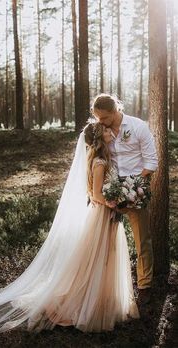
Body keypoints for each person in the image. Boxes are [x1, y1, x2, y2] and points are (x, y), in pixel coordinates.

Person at [0, 121, 139, 335]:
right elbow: (96, 194)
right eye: (105, 130)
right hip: (102, 215)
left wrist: (121, 196)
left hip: (107, 215)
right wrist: (115, 202)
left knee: (106, 259)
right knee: (95, 260)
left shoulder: (105, 159)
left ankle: (103, 300)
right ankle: (83, 303)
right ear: (98, 138)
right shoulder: (99, 162)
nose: (109, 131)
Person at [90, 93, 158, 305]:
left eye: (103, 118)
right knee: (105, 241)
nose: (99, 122)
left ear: (115, 111)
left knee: (142, 239)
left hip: (135, 189)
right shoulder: (102, 130)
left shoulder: (138, 126)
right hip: (108, 192)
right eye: (97, 118)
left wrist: (133, 187)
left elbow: (151, 162)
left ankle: (145, 286)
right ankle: (106, 287)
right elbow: (93, 156)